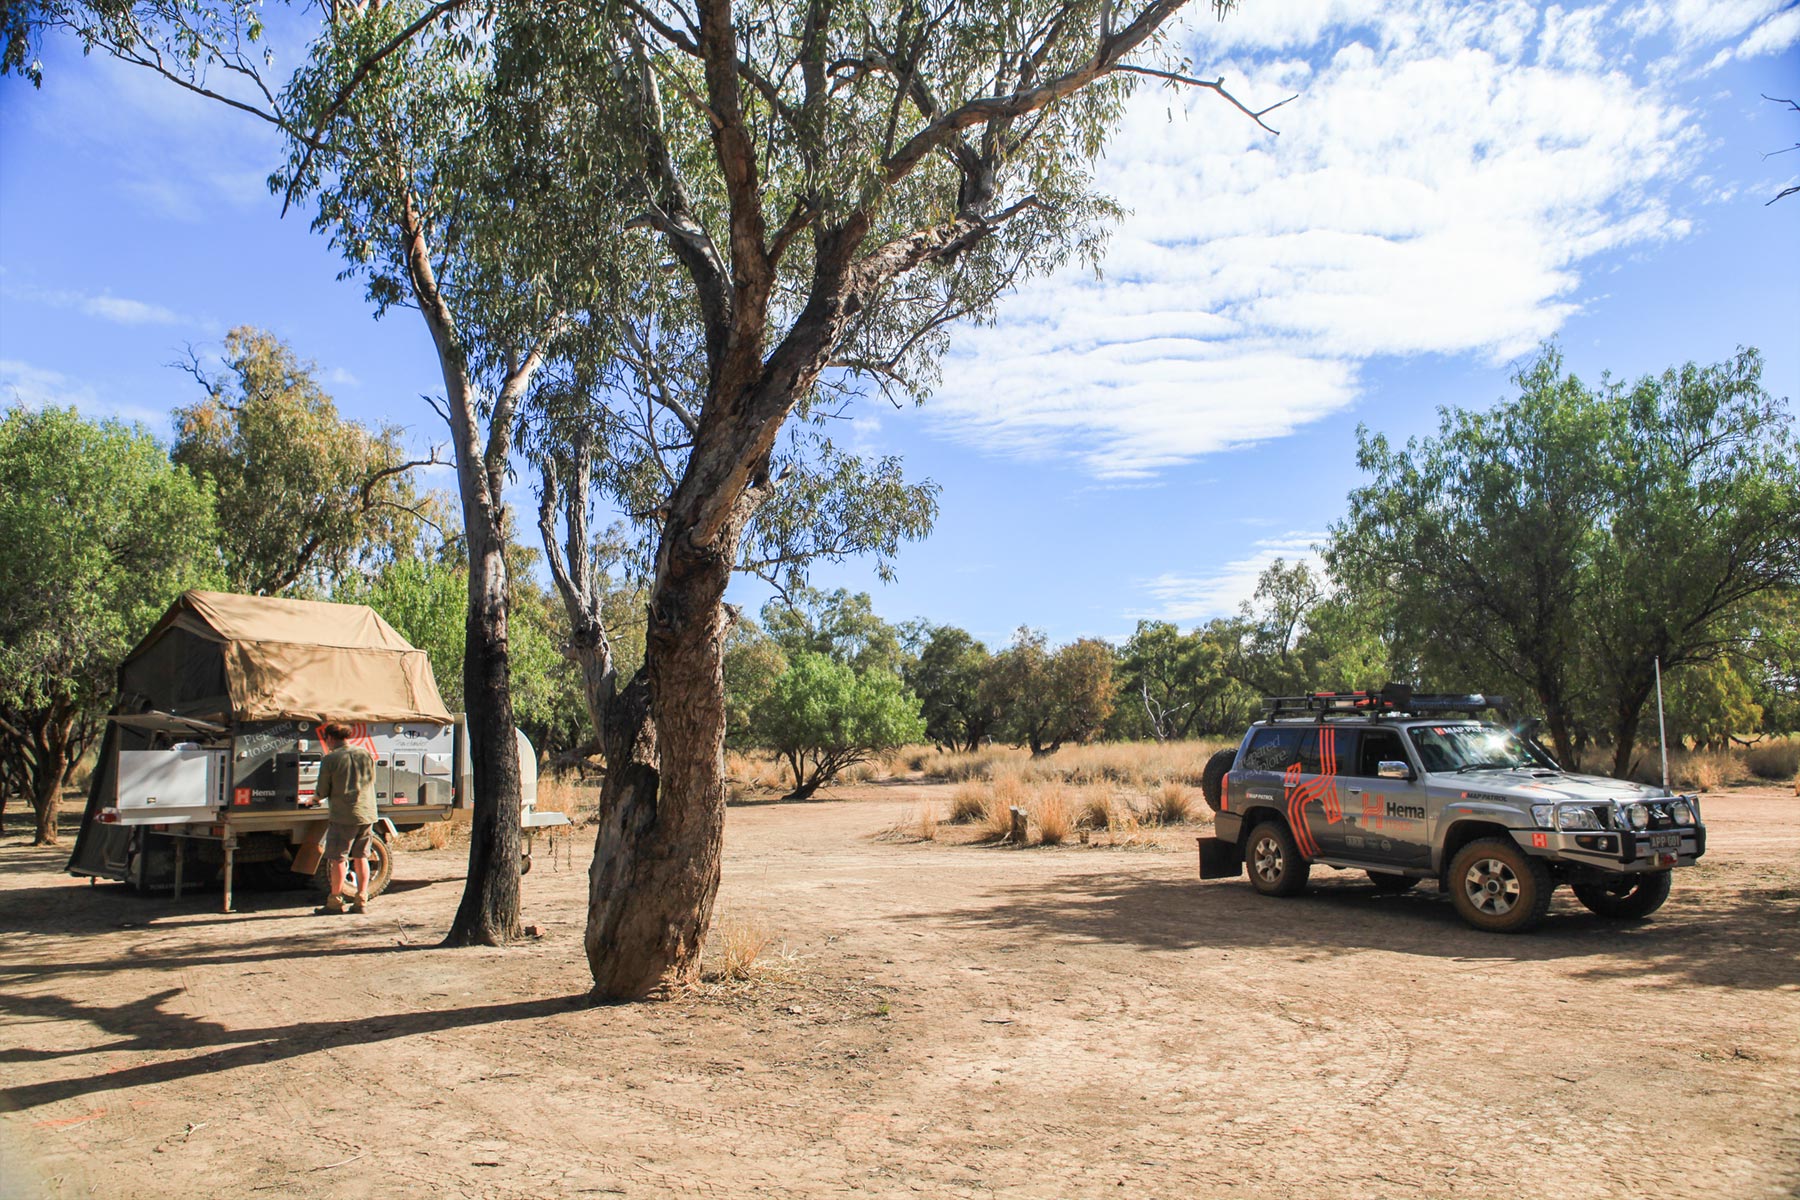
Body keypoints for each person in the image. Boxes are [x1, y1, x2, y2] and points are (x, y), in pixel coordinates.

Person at [314, 720, 377, 914]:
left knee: (338, 857)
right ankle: (361, 899)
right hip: (367, 812)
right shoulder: (364, 754)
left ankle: (335, 901)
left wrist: (315, 798)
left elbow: (323, 789)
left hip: (344, 815)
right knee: (362, 856)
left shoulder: (331, 759)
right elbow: (371, 779)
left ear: (331, 738)